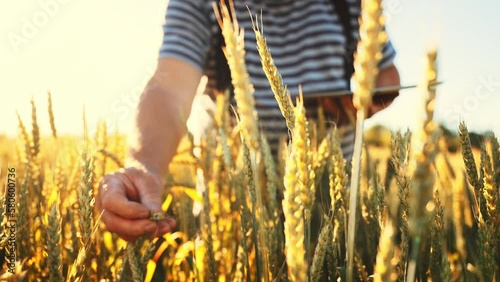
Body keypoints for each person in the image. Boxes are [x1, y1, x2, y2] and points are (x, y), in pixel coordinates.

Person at [96, 0, 400, 242]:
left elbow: (388, 74)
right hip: (234, 217)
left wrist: (366, 95)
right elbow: (168, 89)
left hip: (333, 209)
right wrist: (143, 165)